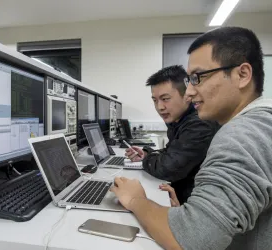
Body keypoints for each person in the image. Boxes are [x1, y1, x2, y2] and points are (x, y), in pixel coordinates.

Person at [111, 26, 272, 250]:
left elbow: (193, 240)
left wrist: (136, 200)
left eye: (198, 78)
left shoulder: (244, 133)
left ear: (242, 75)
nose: (189, 93)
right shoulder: (255, 125)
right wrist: (187, 211)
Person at [125, 65, 219, 204]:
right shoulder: (178, 120)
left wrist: (146, 160)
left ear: (187, 95)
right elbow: (172, 151)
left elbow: (168, 168)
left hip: (195, 203)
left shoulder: (199, 124)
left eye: (165, 98)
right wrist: (146, 153)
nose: (159, 107)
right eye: (155, 100)